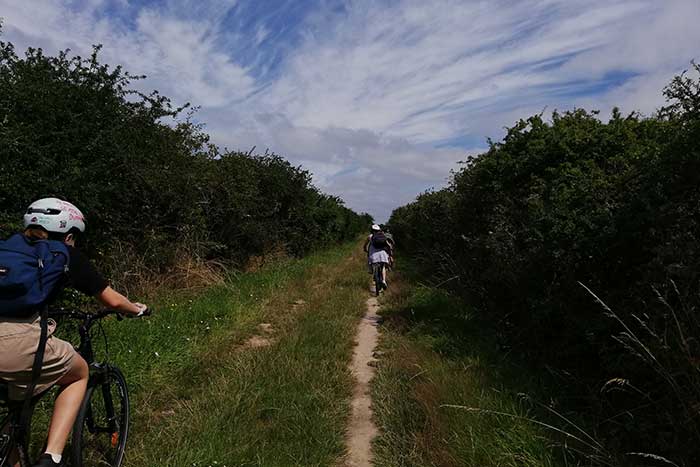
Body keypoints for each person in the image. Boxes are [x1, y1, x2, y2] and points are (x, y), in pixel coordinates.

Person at [0, 198, 149, 467]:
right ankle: (52, 457)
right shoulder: (65, 253)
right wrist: (136, 309)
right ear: (69, 234)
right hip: (16, 342)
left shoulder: (6, 247)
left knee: (17, 401)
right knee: (79, 373)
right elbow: (113, 301)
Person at [363, 224, 391, 290]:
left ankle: (370, 269)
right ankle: (384, 280)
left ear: (372, 230)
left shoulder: (370, 236)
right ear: (379, 230)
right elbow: (388, 245)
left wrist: (364, 248)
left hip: (373, 255)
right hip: (382, 254)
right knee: (383, 267)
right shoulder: (383, 236)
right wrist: (389, 252)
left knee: (370, 261)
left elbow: (365, 245)